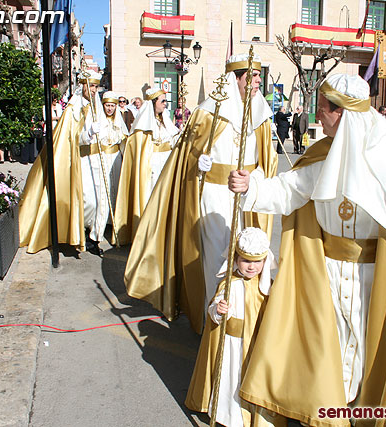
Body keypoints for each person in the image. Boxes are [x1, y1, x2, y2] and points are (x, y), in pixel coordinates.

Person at [228, 73, 386, 426]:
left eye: (323, 110)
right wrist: (251, 188)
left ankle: (360, 411)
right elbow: (290, 190)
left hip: (375, 274)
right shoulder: (322, 153)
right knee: (330, 344)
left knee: (368, 346)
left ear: (344, 113)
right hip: (325, 268)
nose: (317, 116)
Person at [122, 53, 277, 335]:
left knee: (250, 254)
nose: (257, 82)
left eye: (258, 77)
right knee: (219, 257)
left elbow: (268, 158)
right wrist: (199, 163)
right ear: (236, 78)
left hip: (248, 196)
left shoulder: (261, 114)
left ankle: (248, 316)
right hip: (215, 194)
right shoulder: (209, 111)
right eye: (252, 76)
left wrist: (257, 179)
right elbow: (187, 154)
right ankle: (214, 319)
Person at [185, 227, 285, 427]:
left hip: (255, 345)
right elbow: (214, 311)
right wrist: (219, 310)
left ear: (265, 261)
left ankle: (256, 416)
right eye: (246, 260)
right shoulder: (228, 284)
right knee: (231, 381)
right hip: (232, 345)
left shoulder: (266, 288)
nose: (251, 267)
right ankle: (230, 416)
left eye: (257, 261)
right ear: (235, 259)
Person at [18, 70, 105, 254]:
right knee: (86, 200)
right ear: (82, 86)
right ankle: (79, 234)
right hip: (78, 160)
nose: (94, 90)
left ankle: (90, 236)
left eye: (96, 86)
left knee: (97, 200)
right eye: (91, 86)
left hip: (94, 159)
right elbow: (71, 137)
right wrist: (88, 133)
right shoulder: (73, 109)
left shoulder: (95, 107)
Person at [113, 87, 180, 245]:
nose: (165, 104)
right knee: (150, 199)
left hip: (165, 165)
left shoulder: (165, 122)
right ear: (153, 103)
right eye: (162, 101)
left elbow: (171, 140)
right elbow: (133, 149)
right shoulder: (142, 129)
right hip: (151, 169)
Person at [79, 90, 129, 254]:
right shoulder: (95, 118)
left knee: (115, 196)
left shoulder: (118, 122)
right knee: (102, 198)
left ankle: (115, 232)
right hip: (100, 162)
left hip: (115, 161)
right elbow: (81, 140)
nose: (110, 109)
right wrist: (91, 132)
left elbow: (124, 143)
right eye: (107, 105)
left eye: (112, 106)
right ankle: (95, 237)